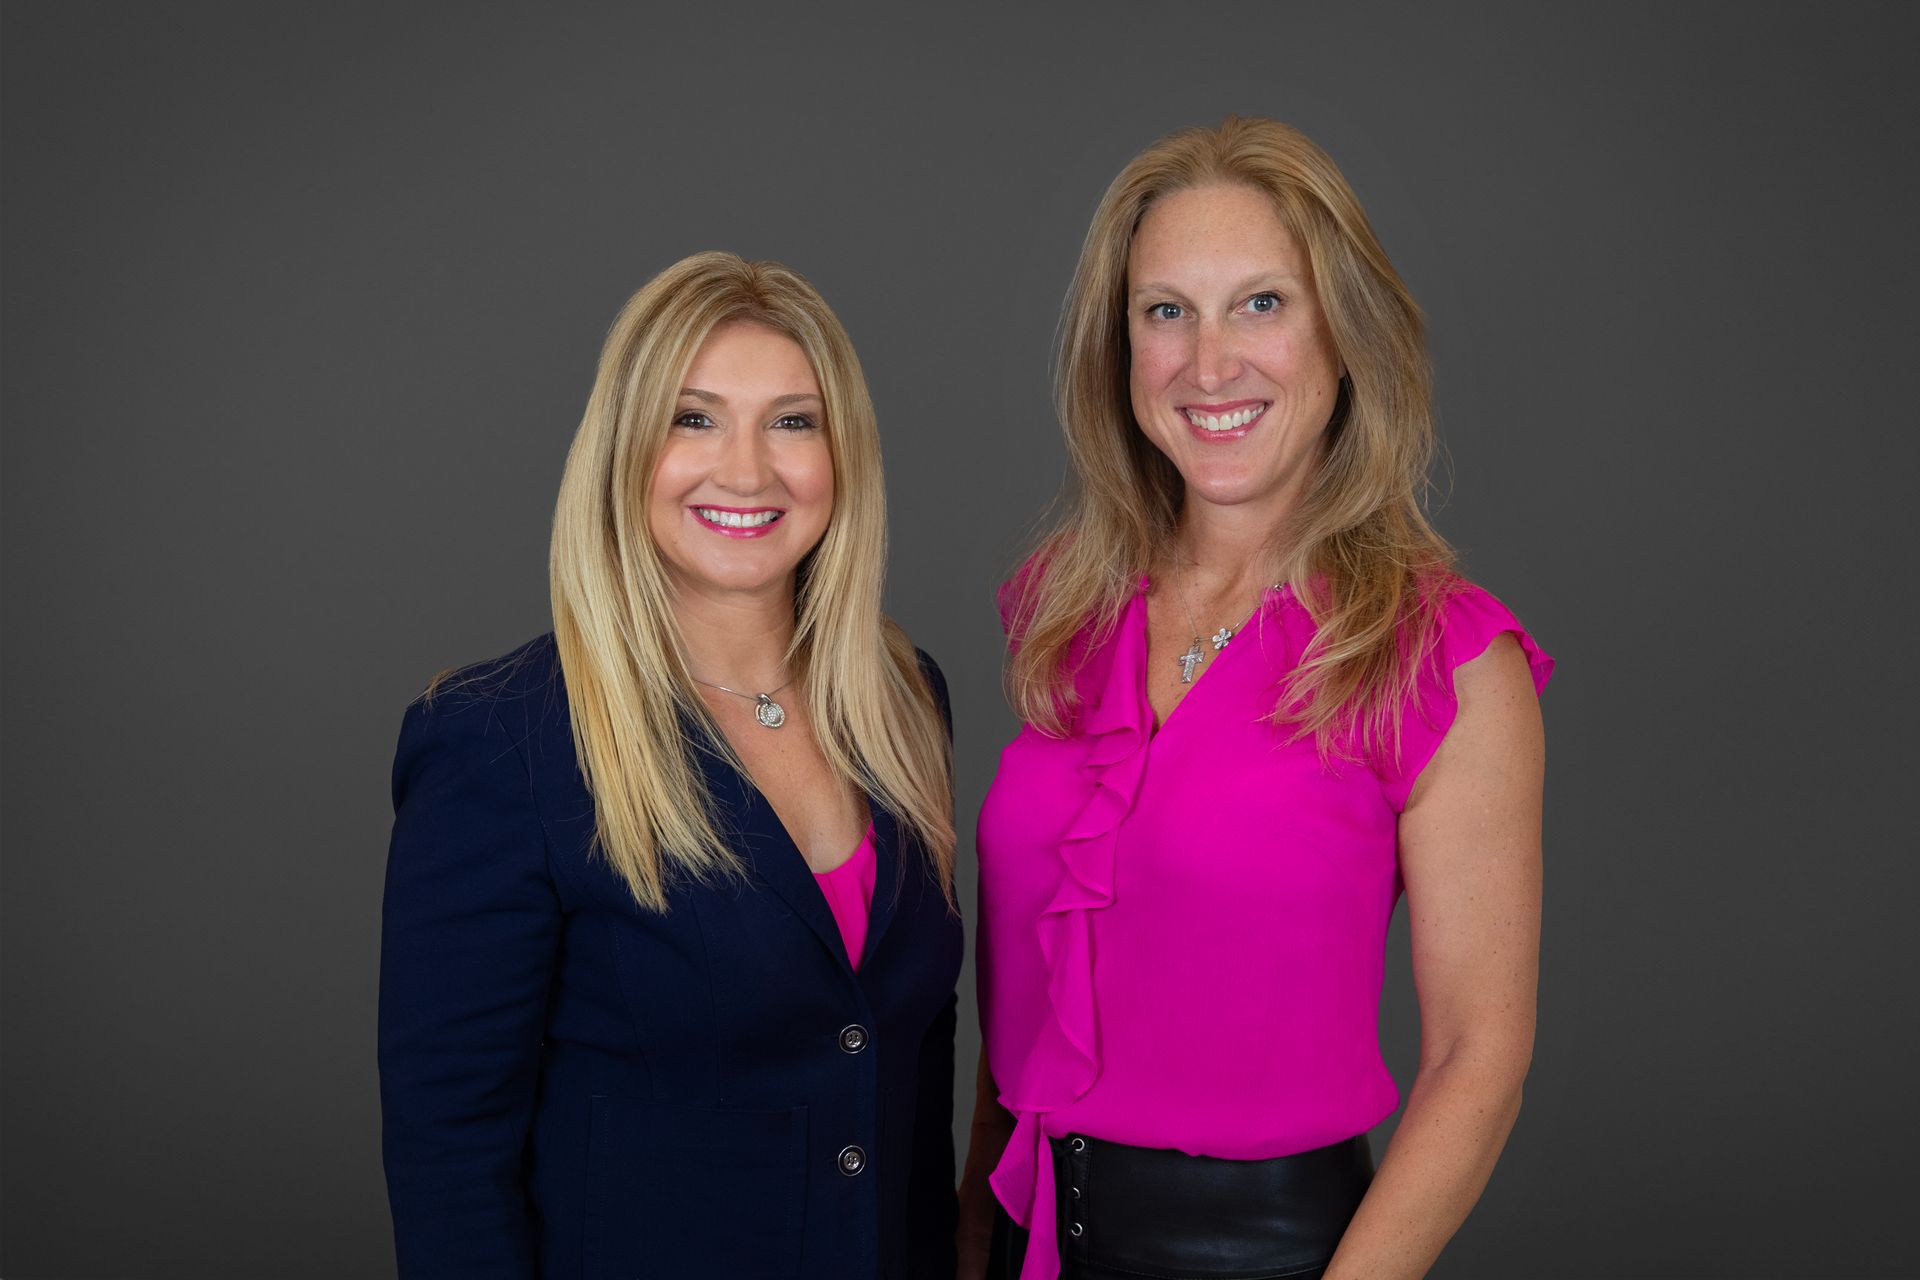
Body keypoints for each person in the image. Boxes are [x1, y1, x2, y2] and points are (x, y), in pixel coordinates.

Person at [959, 118, 1555, 1280]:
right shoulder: (1061, 614)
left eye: (1263, 304)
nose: (1209, 361)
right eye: (1166, 310)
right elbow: (1024, 997)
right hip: (1030, 1232)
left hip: (1267, 1254)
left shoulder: (1440, 654)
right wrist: (973, 1237)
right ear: (1119, 346)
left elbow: (1478, 1060)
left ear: (1344, 336)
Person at [379, 252, 963, 1279]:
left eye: (793, 419)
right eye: (693, 418)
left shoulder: (905, 702)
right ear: (624, 451)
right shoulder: (500, 742)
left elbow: (908, 1065)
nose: (746, 470)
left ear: (843, 455)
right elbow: (450, 1159)